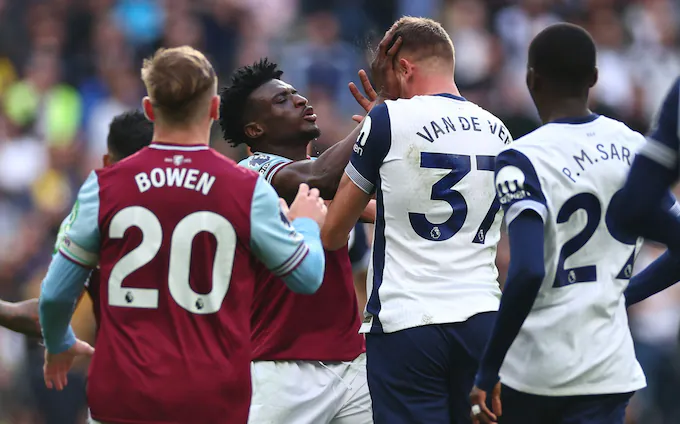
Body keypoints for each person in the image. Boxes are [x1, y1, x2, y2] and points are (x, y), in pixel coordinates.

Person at [39, 46, 327, 424]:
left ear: (147, 108)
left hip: (121, 400)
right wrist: (306, 223)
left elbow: (55, 294)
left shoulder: (103, 187)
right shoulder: (246, 188)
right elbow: (306, 278)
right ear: (212, 110)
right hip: (211, 402)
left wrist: (59, 343)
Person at [322, 17, 512, 424]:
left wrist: (376, 128)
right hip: (482, 318)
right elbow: (428, 213)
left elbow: (335, 233)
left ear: (404, 68)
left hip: (409, 324)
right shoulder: (500, 131)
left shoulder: (389, 120)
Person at [469, 23, 650, 424]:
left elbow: (529, 269)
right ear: (594, 79)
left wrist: (488, 368)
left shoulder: (523, 157)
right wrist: (623, 292)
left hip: (536, 371)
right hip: (609, 365)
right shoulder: (635, 148)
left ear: (531, 79)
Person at [219, 59, 373, 424]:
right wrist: (378, 118)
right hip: (280, 367)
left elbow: (378, 209)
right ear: (255, 130)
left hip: (351, 365)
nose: (300, 100)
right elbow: (320, 176)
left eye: (294, 93)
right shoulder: (252, 175)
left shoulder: (324, 176)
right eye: (281, 101)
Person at [0, 111, 154, 340]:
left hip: (127, 363)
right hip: (198, 365)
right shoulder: (208, 195)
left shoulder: (99, 204)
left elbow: (48, 311)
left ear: (107, 162)